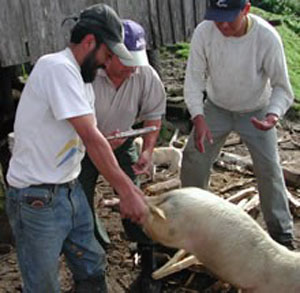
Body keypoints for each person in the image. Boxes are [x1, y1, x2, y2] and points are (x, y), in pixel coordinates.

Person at [5, 4, 148, 293]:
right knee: (43, 285)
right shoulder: (57, 67)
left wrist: (103, 142)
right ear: (89, 42)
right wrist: (128, 191)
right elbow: (90, 136)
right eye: (107, 55)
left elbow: (82, 136)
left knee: (92, 265)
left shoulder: (83, 80)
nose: (108, 64)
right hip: (37, 197)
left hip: (69, 189)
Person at [181, 0, 296, 250]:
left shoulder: (266, 38)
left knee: (269, 169)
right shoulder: (204, 32)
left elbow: (282, 87)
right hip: (216, 108)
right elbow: (193, 79)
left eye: (229, 18)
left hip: (256, 110)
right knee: (194, 159)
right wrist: (198, 117)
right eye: (216, 17)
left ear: (246, 9)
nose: (222, 25)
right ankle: (191, 219)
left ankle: (281, 234)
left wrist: (273, 116)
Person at [78, 20, 166, 292]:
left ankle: (148, 258)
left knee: (134, 200)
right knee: (80, 203)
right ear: (108, 53)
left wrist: (148, 150)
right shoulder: (84, 76)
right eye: (125, 61)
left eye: (135, 61)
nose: (132, 68)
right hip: (83, 147)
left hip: (124, 142)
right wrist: (95, 139)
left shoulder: (145, 74)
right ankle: (93, 252)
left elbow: (153, 115)